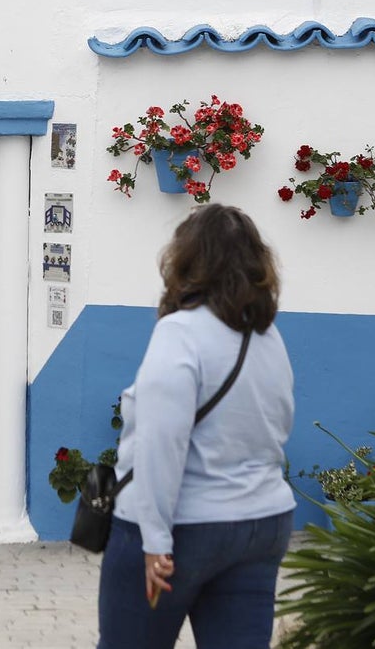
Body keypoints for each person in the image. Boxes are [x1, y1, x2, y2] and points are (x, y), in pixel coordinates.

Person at [97, 203, 295, 649]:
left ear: (186, 261)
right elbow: (279, 426)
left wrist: (155, 541)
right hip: (260, 524)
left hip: (185, 530)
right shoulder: (267, 337)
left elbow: (160, 444)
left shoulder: (181, 333)